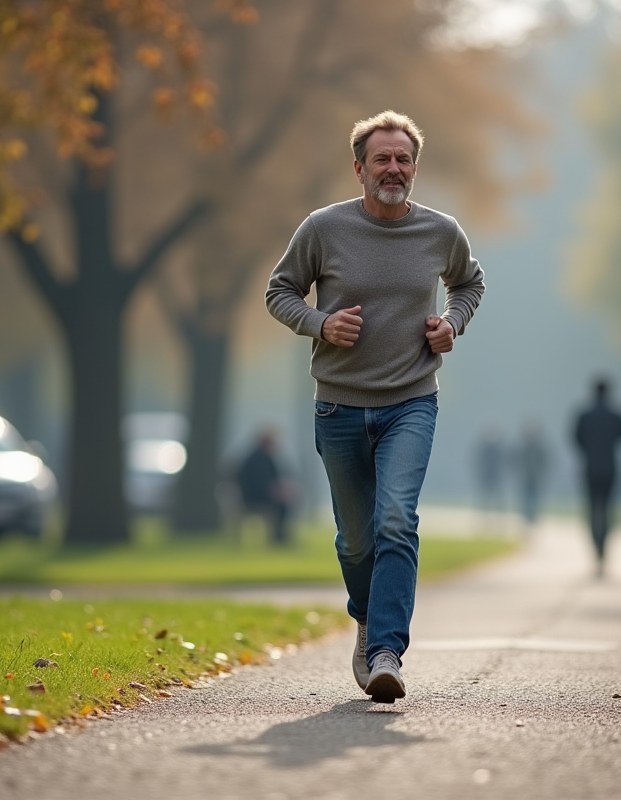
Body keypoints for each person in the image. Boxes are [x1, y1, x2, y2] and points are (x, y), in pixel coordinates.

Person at [266, 110, 485, 703]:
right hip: (338, 406)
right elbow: (279, 290)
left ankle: (387, 649)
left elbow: (469, 283)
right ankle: (366, 619)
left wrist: (452, 325)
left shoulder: (441, 232)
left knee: (396, 520)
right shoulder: (323, 228)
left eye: (404, 159)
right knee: (355, 541)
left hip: (411, 400)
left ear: (415, 168)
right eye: (383, 158)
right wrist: (319, 323)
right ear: (359, 167)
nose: (394, 168)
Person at [572, 377, 621, 577]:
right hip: (610, 468)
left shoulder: (584, 415)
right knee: (607, 509)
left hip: (590, 468)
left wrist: (590, 448)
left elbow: (575, 438)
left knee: (592, 509)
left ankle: (596, 545)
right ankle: (603, 545)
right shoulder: (615, 414)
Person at [234, 428, 294, 547]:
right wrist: (275, 492)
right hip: (253, 498)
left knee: (285, 504)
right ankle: (278, 539)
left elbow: (275, 479)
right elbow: (259, 484)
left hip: (261, 495)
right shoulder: (256, 459)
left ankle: (279, 538)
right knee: (281, 506)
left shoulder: (265, 458)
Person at [513, 422, 549, 526]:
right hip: (525, 477)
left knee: (535, 498)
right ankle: (527, 515)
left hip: (536, 478)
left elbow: (544, 462)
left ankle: (533, 516)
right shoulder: (523, 448)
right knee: (526, 498)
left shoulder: (539, 448)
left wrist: (541, 473)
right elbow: (517, 461)